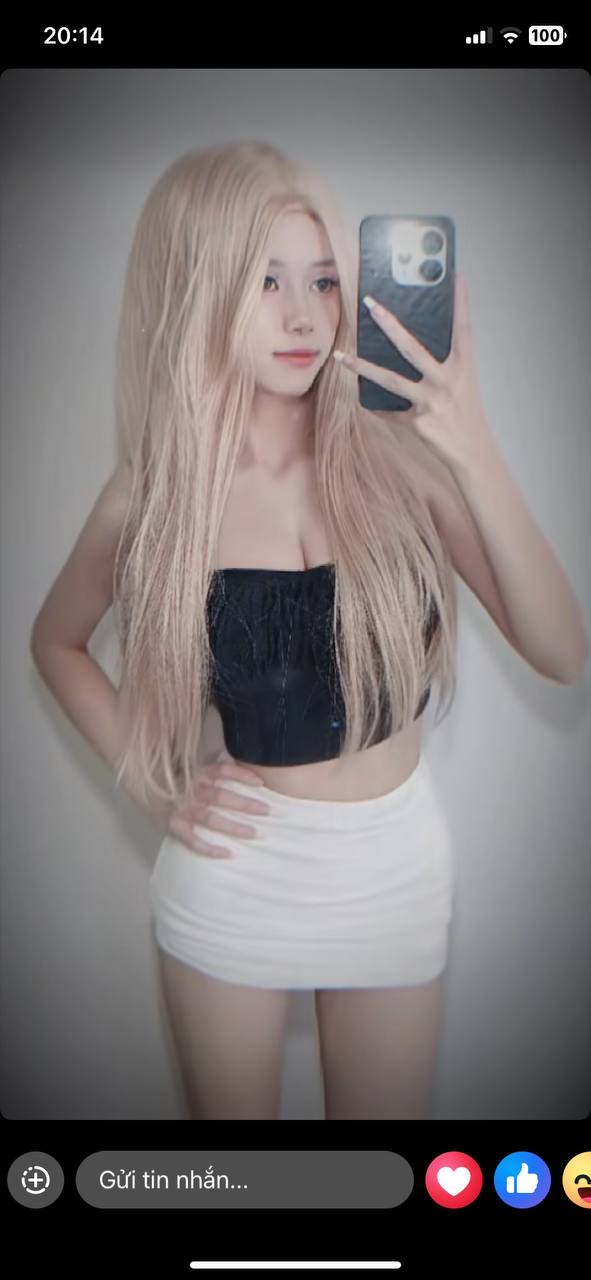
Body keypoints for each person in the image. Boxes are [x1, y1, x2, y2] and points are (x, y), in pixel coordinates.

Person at [30, 140, 589, 1122]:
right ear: (197, 289)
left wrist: (473, 445)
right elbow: (55, 640)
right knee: (238, 1182)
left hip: (394, 867)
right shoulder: (156, 494)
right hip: (234, 876)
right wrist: (151, 782)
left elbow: (561, 651)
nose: (302, 314)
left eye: (324, 280)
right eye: (266, 280)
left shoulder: (399, 461)